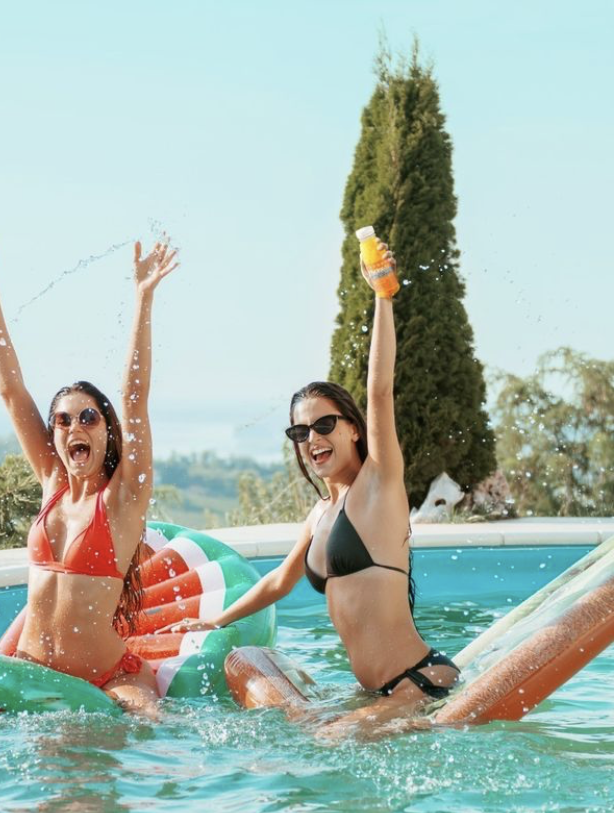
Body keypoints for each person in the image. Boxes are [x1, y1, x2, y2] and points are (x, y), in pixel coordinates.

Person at [164, 242, 459, 731]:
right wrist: (214, 622)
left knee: (326, 742)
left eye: (324, 426)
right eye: (301, 433)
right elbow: (278, 582)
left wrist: (383, 296)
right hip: (374, 691)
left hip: (419, 681)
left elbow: (380, 391)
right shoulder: (321, 514)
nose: (312, 439)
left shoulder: (379, 485)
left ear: (353, 428)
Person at [0, 241, 177, 716]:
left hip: (107, 677)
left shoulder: (124, 499)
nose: (75, 428)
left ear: (108, 432)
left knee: (150, 726)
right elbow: (10, 391)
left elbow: (134, 398)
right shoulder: (52, 481)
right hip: (29, 668)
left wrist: (143, 297)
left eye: (88, 417)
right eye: (63, 421)